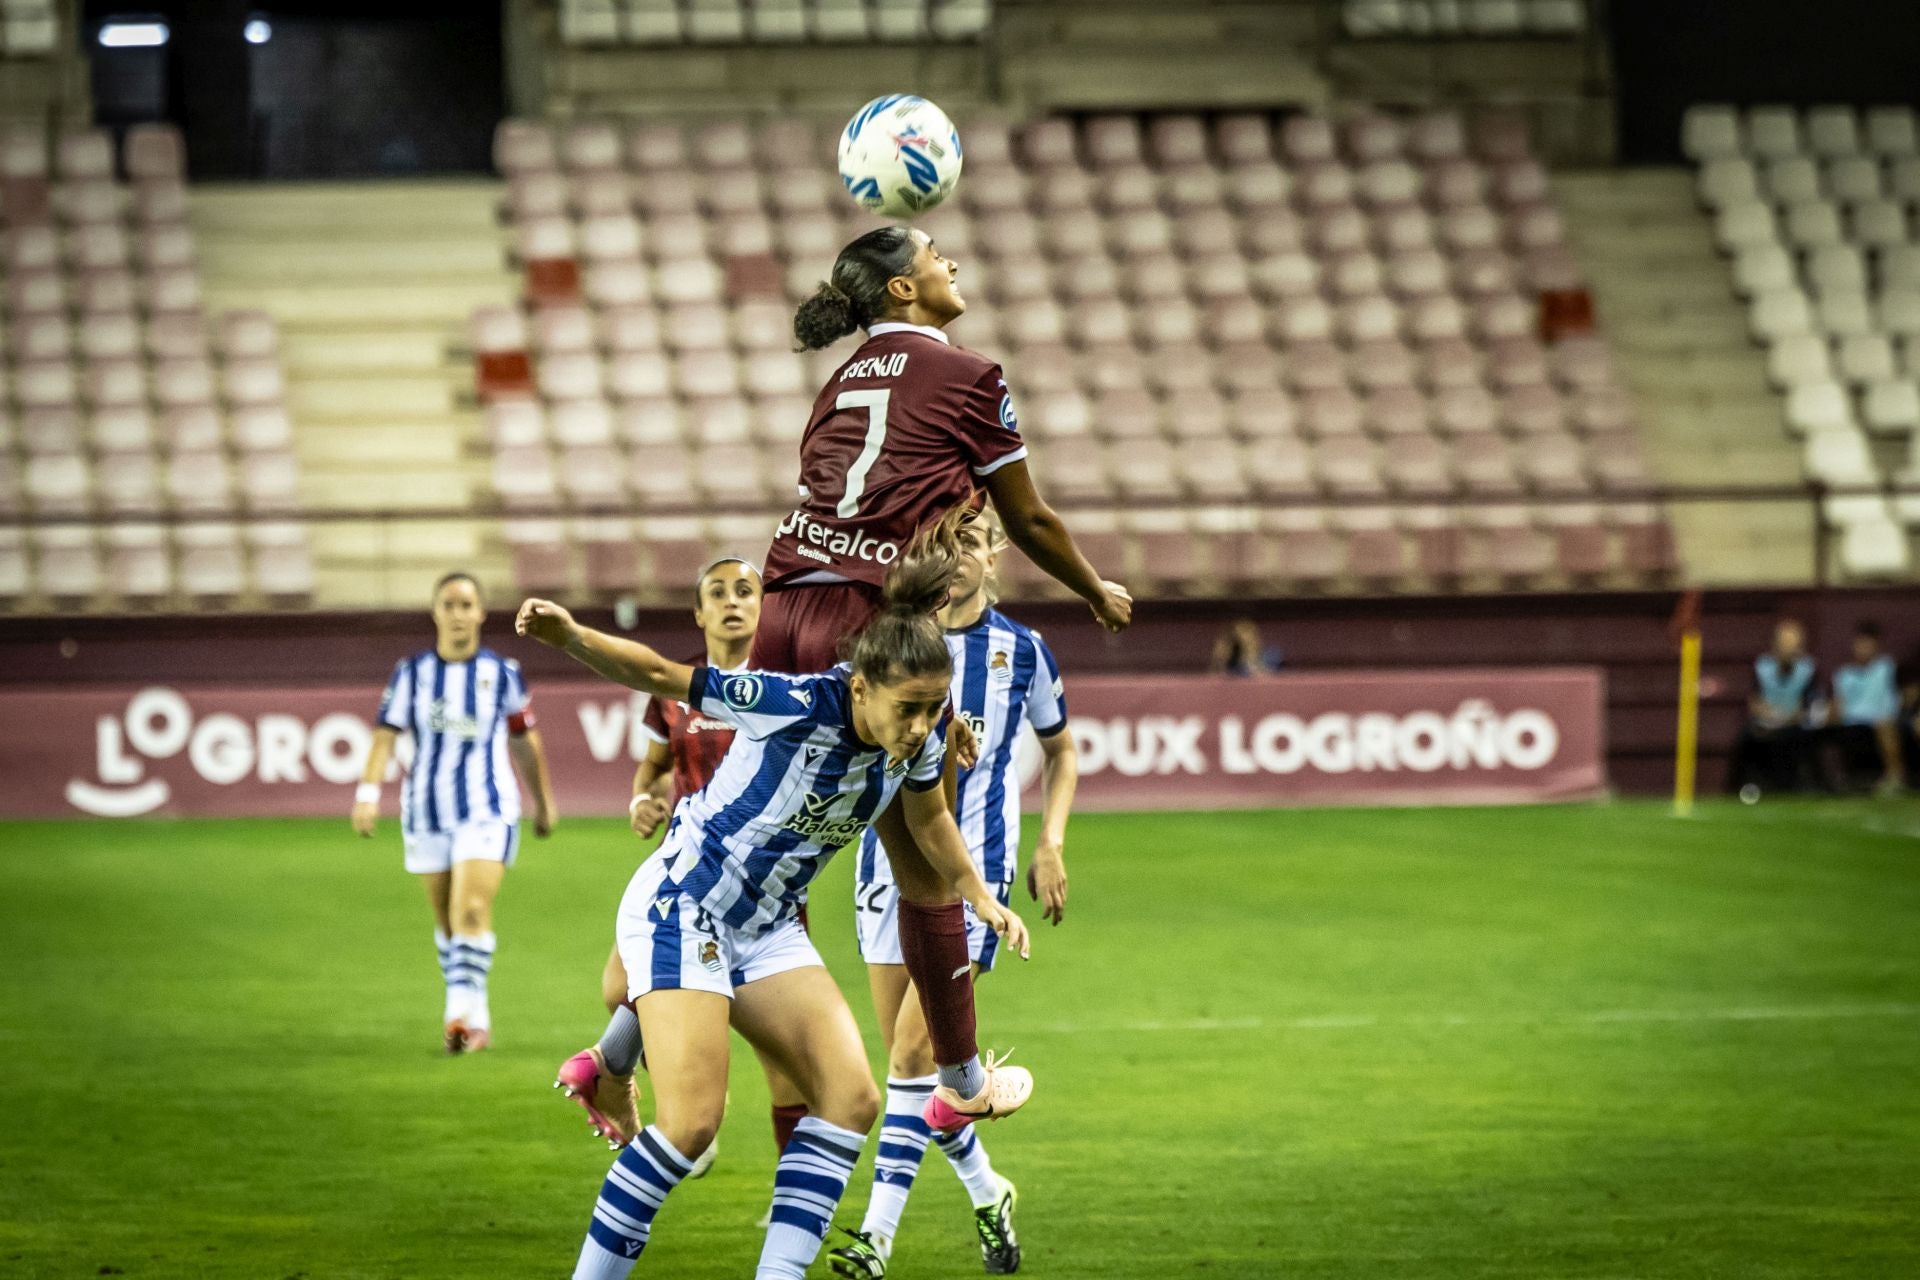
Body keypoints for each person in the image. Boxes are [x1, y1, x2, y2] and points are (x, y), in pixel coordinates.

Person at [516, 509, 1031, 1280]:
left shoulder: (918, 743)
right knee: (690, 1127)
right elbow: (663, 675)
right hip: (685, 902)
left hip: (766, 926)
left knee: (851, 1099)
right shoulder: (792, 702)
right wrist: (569, 637)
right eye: (909, 709)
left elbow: (931, 824)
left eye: (934, 710)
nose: (921, 726)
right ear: (861, 686)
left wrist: (978, 897)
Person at [761, 224, 1130, 1130]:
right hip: (871, 630)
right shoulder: (970, 376)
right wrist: (1094, 589)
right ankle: (962, 1081)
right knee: (926, 863)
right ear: (902, 288)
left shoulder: (838, 382)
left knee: (743, 846)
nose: (952, 263)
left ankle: (618, 1044)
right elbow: (1028, 519)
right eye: (934, 254)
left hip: (783, 612)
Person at [829, 508, 1076, 1280]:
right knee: (920, 1074)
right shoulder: (896, 642)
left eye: (971, 542)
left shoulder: (1023, 650)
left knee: (913, 1052)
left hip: (977, 870)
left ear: (995, 555)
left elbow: (1062, 751)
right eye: (945, 543)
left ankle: (875, 1240)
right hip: (887, 863)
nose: (958, 556)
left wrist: (1050, 841)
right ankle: (987, 1188)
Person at [554, 556, 810, 1174]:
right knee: (620, 987)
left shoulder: (789, 687)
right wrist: (642, 800)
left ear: (764, 608)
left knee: (787, 1065)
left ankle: (622, 1072)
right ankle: (677, 1104)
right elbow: (652, 770)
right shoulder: (676, 690)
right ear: (698, 613)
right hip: (685, 875)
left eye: (745, 591)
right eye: (717, 593)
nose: (732, 602)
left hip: (764, 885)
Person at [351, 571, 557, 1053]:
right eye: (449, 604)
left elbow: (523, 739)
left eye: (467, 605)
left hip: (488, 806)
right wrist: (367, 792)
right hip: (426, 810)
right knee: (448, 922)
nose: (458, 614)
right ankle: (471, 1011)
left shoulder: (502, 673)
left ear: (481, 613)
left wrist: (543, 802)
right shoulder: (412, 672)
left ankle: (461, 1016)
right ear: (436, 612)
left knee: (472, 909)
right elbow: (385, 734)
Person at [1729, 618, 1818, 796]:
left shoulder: (1808, 669)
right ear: (1775, 645)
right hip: (1766, 722)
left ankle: (1801, 786)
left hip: (1794, 724)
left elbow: (1809, 708)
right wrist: (1766, 714)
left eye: (1793, 644)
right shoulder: (1762, 667)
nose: (1788, 649)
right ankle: (1742, 787)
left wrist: (1788, 719)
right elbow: (1754, 701)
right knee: (1746, 736)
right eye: (1784, 643)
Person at [1830, 621, 1903, 794]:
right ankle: (1834, 780)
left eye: (1868, 644)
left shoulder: (1888, 667)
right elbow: (1838, 704)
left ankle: (1895, 776)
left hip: (1883, 719)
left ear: (1876, 646)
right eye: (1860, 644)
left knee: (1884, 725)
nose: (1864, 649)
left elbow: (1904, 693)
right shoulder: (1844, 674)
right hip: (1852, 721)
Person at [1211, 617, 1281, 676]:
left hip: (1250, 664)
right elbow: (1220, 659)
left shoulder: (1250, 640)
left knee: (1273, 653)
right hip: (1238, 666)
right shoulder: (1226, 643)